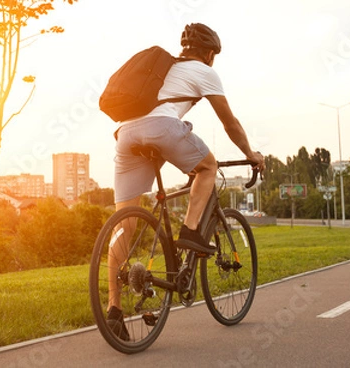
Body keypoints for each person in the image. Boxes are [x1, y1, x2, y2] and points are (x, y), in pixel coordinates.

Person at [107, 23, 265, 338]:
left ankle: (113, 310)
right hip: (161, 128)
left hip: (125, 135)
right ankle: (191, 233)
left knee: (124, 226)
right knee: (208, 168)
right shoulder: (203, 70)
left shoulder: (166, 69)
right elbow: (229, 122)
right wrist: (251, 153)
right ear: (210, 54)